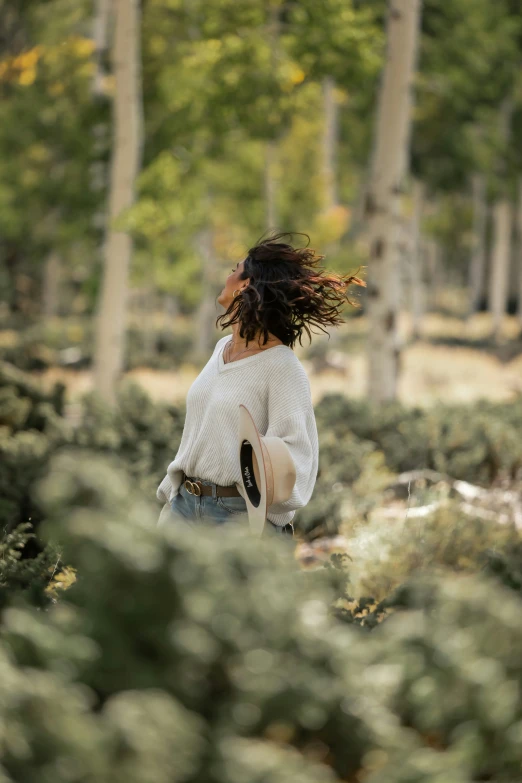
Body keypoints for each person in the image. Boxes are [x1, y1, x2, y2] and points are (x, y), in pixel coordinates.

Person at [156, 231, 365, 535]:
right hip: (184, 507)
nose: (226, 277)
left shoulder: (282, 366)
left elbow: (297, 457)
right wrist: (172, 498)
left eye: (233, 271)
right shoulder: (221, 348)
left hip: (234, 517)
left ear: (246, 285)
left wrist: (253, 492)